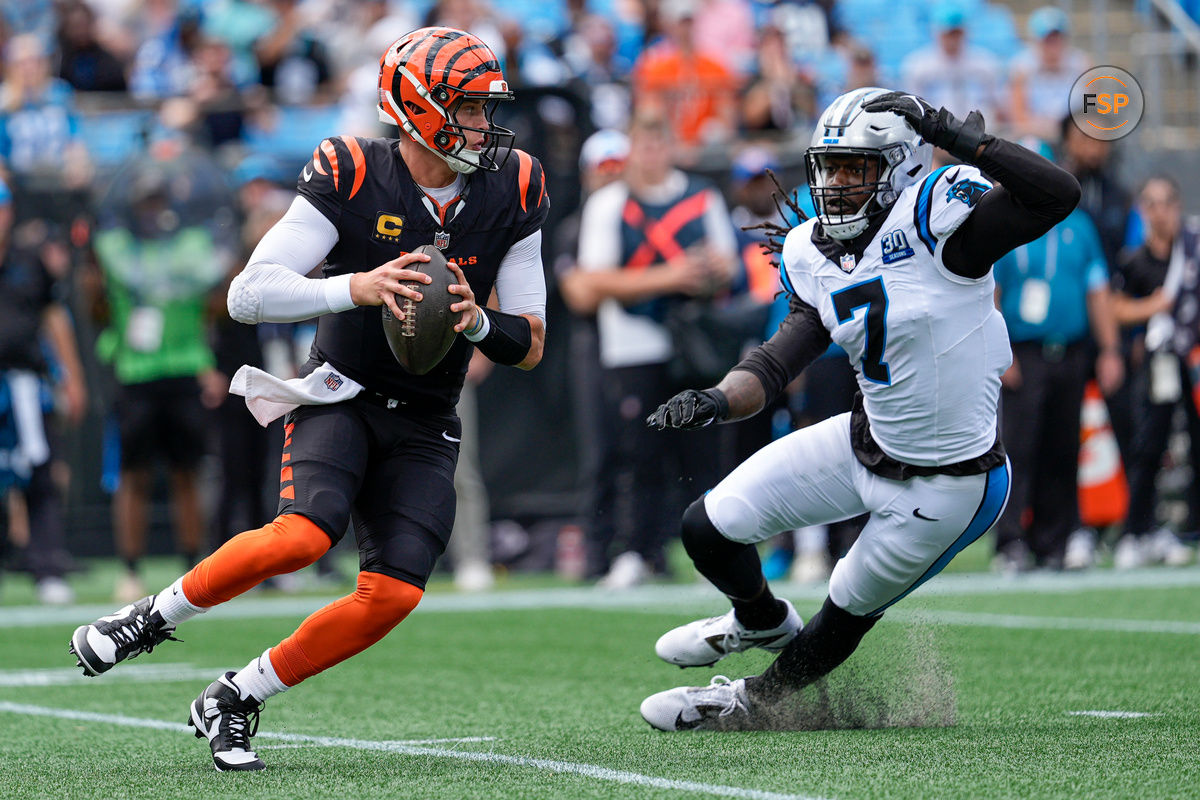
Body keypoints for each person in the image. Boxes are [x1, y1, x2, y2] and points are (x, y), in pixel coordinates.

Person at [69, 27, 548, 771]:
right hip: (340, 394)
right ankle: (148, 617)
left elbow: (531, 339)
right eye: (469, 109)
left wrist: (478, 320)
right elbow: (247, 293)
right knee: (302, 536)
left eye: (487, 110)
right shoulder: (354, 170)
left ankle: (237, 696)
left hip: (426, 417)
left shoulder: (514, 186)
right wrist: (354, 286)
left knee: (392, 595)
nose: (485, 127)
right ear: (417, 107)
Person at [636, 86, 1081, 731]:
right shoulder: (811, 250)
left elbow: (1056, 195)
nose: (837, 184)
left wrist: (956, 136)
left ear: (900, 168)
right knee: (706, 527)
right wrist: (714, 400)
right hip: (863, 441)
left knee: (842, 611)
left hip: (951, 483)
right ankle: (760, 620)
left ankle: (751, 702)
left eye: (856, 169)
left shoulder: (940, 226)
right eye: (830, 168)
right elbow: (778, 359)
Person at [562, 109, 736, 588]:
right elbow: (594, 279)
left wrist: (711, 272)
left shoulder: (701, 196)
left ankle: (713, 554)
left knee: (703, 451)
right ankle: (635, 550)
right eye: (645, 145)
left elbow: (730, 268)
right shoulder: (609, 205)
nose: (652, 155)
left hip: (695, 340)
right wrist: (673, 275)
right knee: (638, 452)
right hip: (634, 343)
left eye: (661, 144)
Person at [992, 150, 1123, 572]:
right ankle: (1011, 541)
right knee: (1018, 448)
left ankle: (1054, 540)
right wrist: (1000, 353)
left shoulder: (1079, 226)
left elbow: (1097, 289)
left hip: (1069, 350)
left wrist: (1110, 349)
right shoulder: (1006, 225)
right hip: (1023, 353)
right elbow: (987, 289)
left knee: (1063, 449)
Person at [1109, 176, 1197, 568]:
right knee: (1149, 447)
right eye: (1151, 204)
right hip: (1155, 364)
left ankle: (1188, 526)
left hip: (1192, 361)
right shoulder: (1135, 259)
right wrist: (1153, 308)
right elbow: (1116, 308)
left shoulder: (1191, 253)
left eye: (1165, 203)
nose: (1159, 212)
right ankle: (1136, 529)